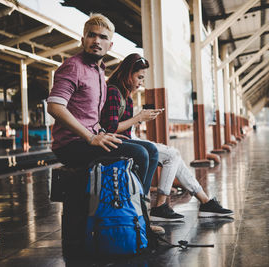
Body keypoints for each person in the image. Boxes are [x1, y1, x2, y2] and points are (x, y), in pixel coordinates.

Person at [47, 15, 163, 234]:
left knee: (151, 150)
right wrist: (91, 137)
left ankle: (139, 213)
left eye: (103, 37)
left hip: (89, 140)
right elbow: (55, 107)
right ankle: (137, 220)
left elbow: (91, 117)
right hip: (72, 145)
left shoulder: (99, 72)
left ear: (110, 45)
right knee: (140, 154)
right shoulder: (73, 67)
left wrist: (100, 133)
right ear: (83, 39)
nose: (96, 41)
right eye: (92, 35)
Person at [100, 53, 233, 222]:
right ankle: (163, 206)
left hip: (128, 138)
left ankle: (204, 202)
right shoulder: (113, 92)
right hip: (120, 142)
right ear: (128, 74)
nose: (141, 82)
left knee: (173, 155)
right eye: (139, 77)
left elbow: (123, 124)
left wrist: (140, 119)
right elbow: (111, 128)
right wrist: (139, 118)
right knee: (172, 155)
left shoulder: (125, 93)